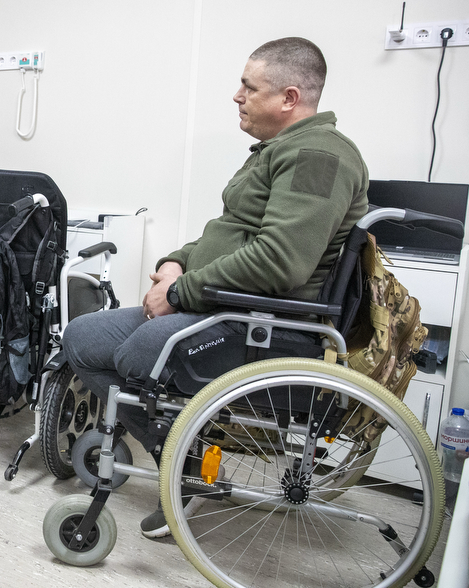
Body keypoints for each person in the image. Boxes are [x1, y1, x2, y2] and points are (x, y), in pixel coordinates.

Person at [63, 37, 369, 539]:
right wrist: (175, 263)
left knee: (142, 352)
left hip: (265, 323)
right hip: (220, 306)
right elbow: (230, 233)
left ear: (289, 98)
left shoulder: (318, 157)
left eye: (249, 87)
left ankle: (185, 459)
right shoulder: (281, 149)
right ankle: (179, 456)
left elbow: (280, 262)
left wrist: (178, 293)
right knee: (82, 337)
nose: (237, 96)